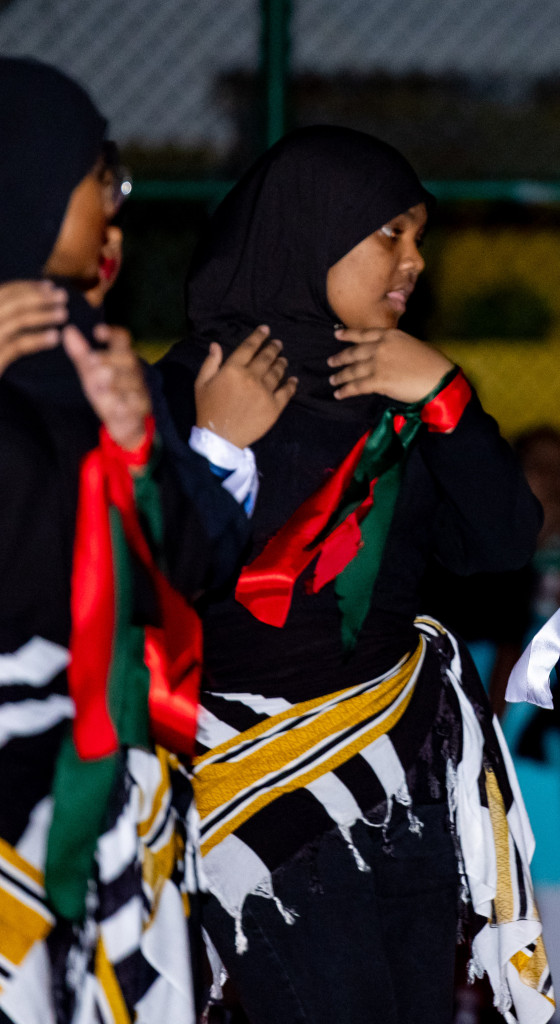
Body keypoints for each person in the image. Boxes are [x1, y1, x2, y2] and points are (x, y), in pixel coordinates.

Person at [157, 126, 551, 1024]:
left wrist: (452, 399)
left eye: (419, 236)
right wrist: (215, 442)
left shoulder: (405, 388)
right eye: (389, 234)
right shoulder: (190, 385)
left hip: (397, 771)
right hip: (258, 786)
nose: (413, 260)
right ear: (313, 230)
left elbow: (499, 545)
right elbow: (151, 576)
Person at [0, 57, 252, 1024]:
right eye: (95, 174)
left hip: (94, 791)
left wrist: (146, 454)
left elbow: (203, 565)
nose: (115, 203)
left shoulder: (104, 365)